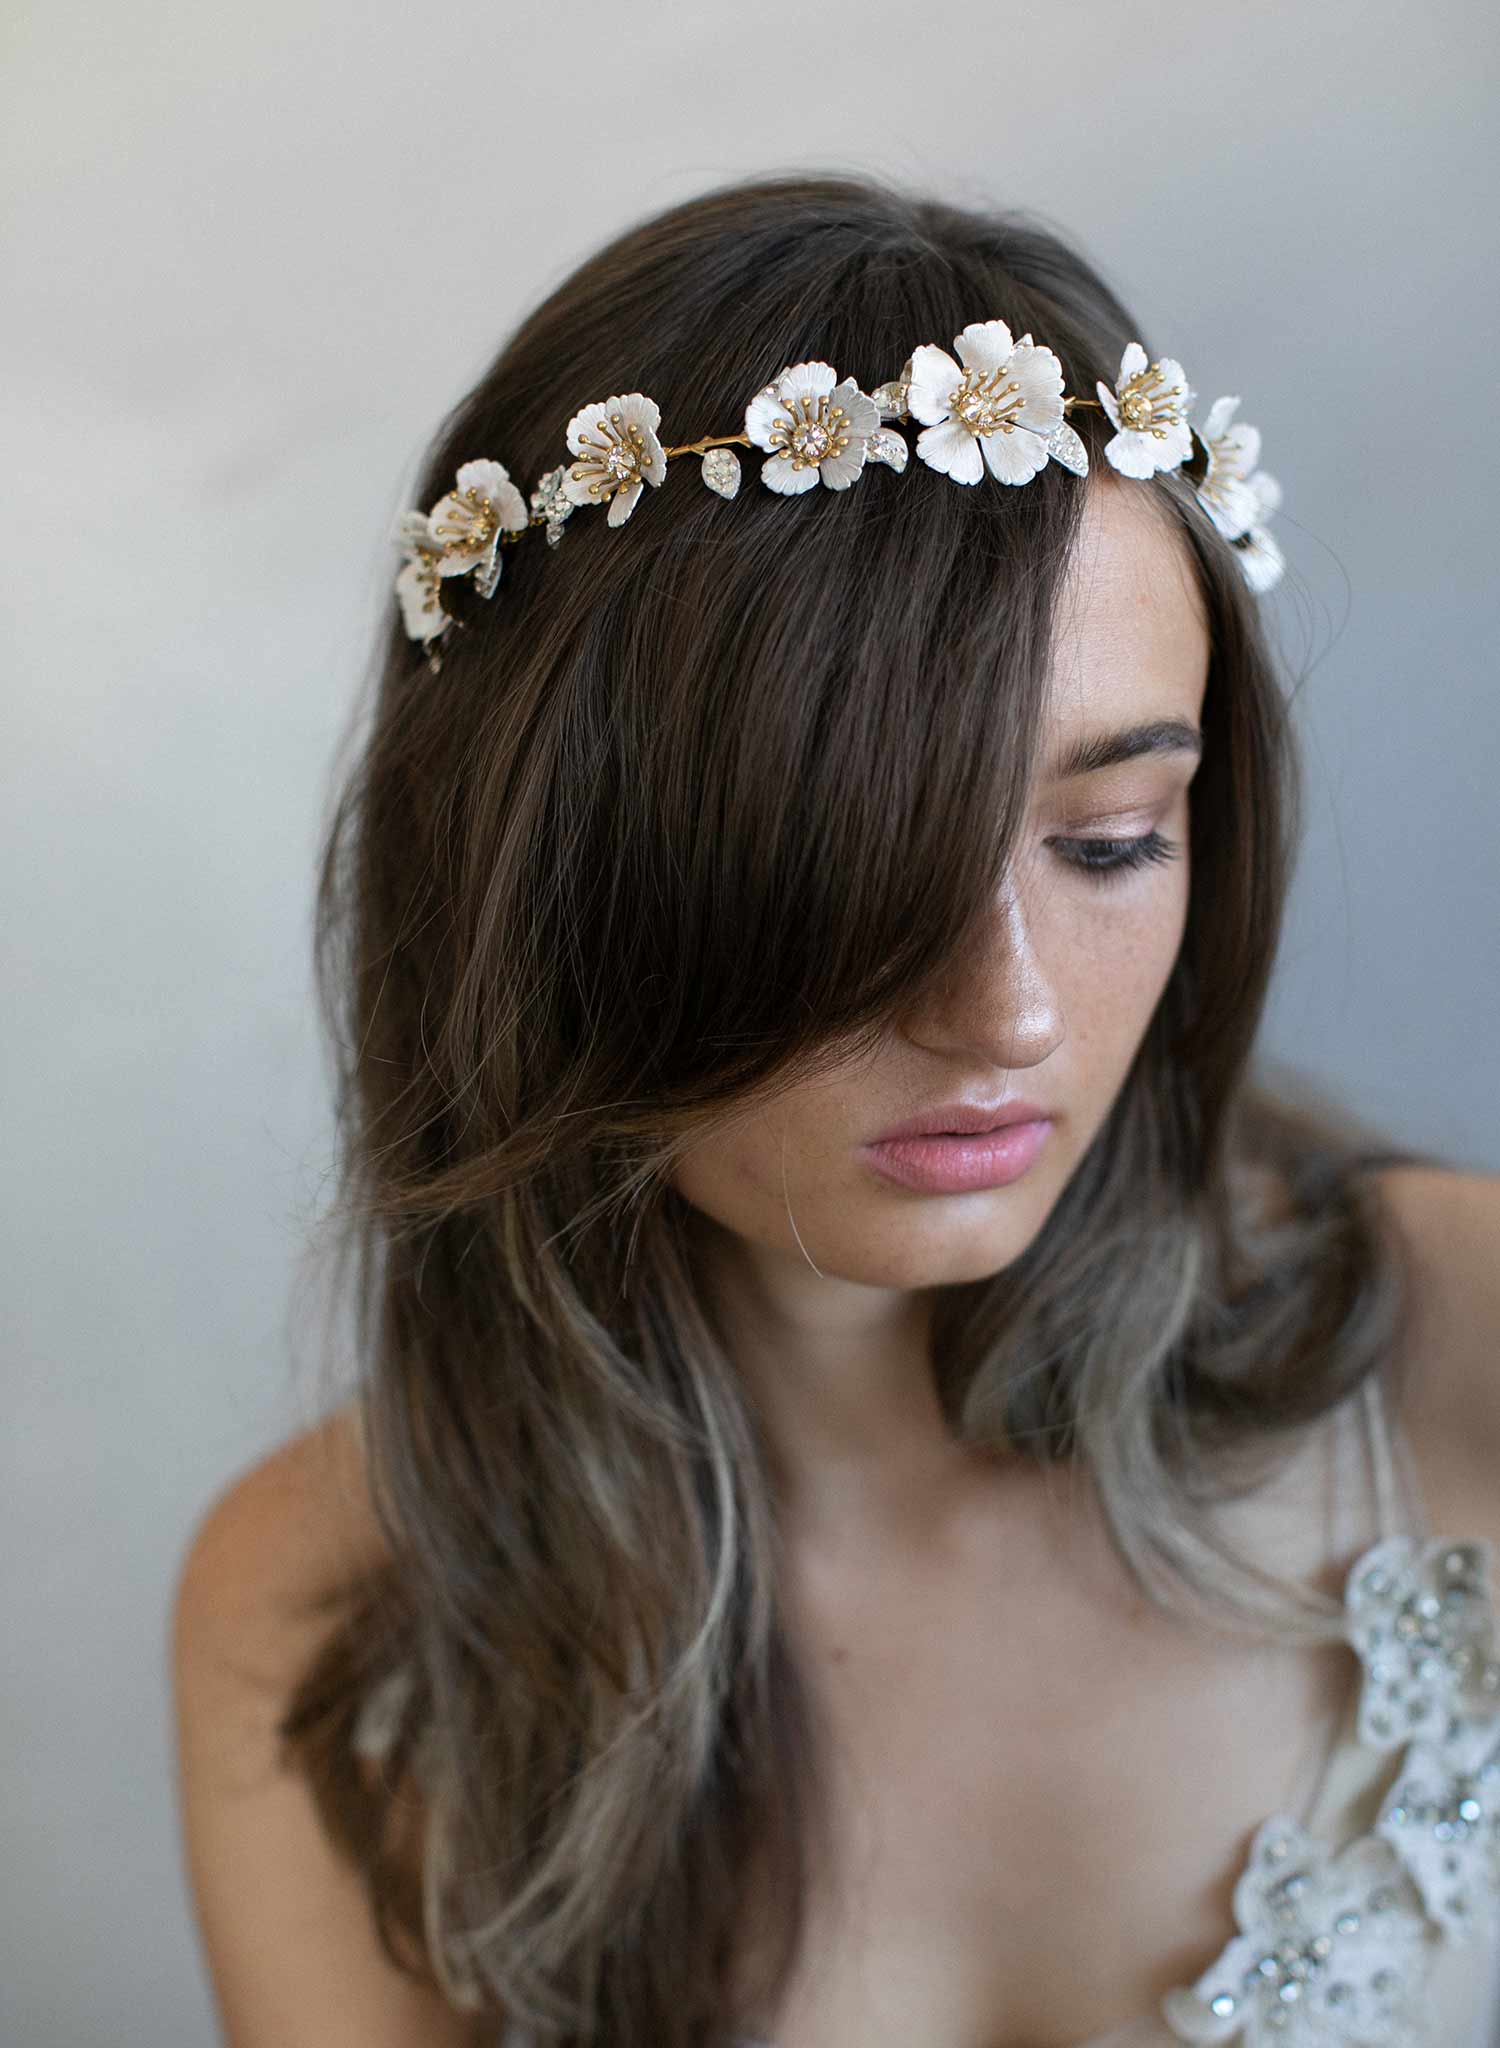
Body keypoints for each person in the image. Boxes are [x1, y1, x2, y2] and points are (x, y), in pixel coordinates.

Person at [169, 170, 1500, 2048]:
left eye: (1112, 842)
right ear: (537, 884)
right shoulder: (323, 1617)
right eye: (854, 867)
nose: (1008, 1011)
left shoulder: (1456, 1353)